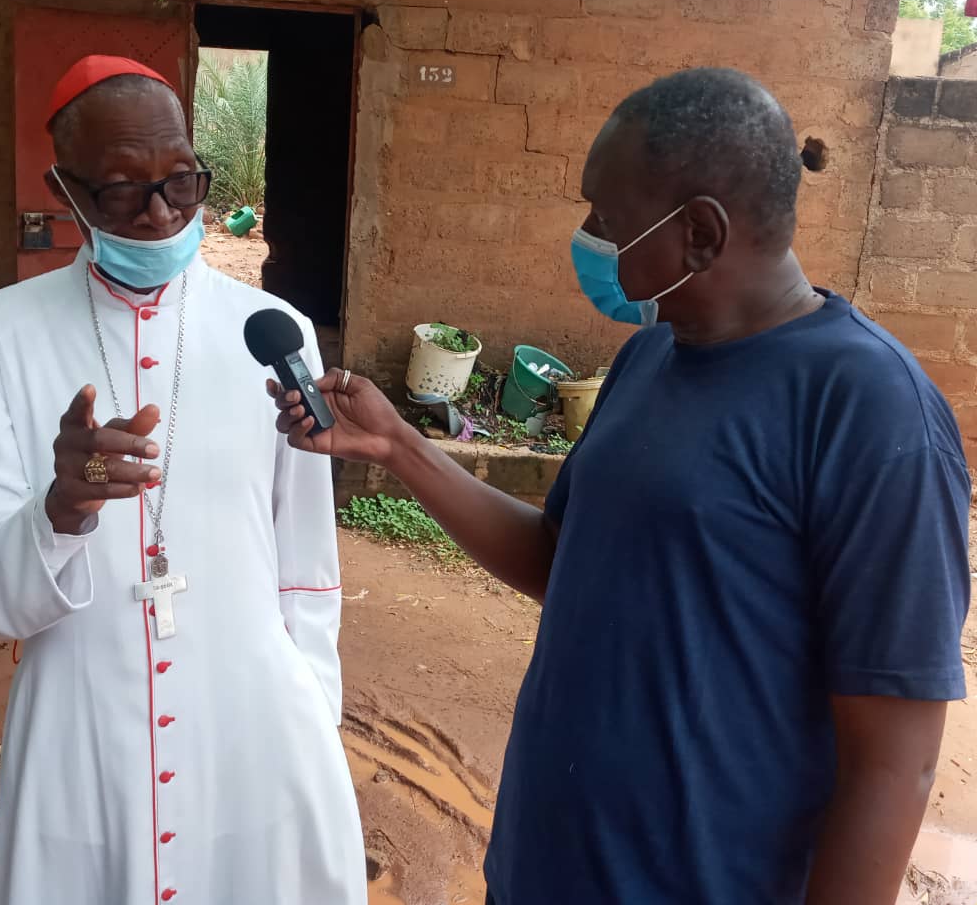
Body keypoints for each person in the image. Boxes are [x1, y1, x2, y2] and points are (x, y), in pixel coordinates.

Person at [271, 68, 971, 904]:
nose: (588, 236)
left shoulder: (869, 409)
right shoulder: (649, 357)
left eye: (607, 217)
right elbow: (561, 560)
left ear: (701, 233)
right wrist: (396, 446)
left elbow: (897, 757)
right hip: (547, 865)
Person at [0, 55, 366, 905]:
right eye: (124, 190)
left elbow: (307, 564)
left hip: (254, 724)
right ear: (65, 190)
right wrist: (62, 509)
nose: (162, 213)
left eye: (181, 181)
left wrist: (314, 711)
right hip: (82, 726)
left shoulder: (274, 334)